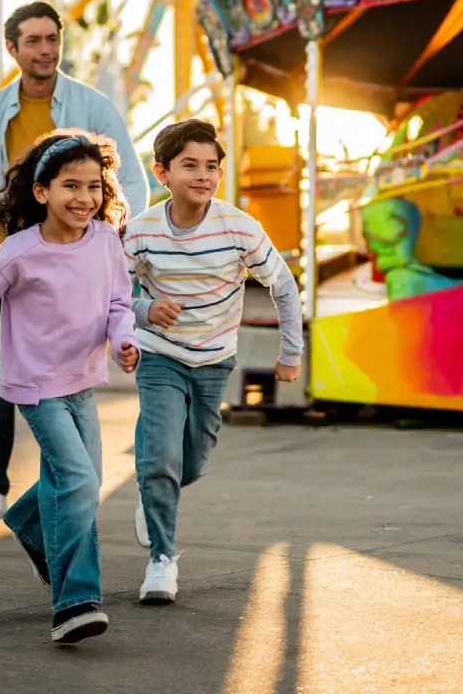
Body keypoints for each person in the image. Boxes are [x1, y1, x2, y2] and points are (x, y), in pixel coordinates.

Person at [0, 1, 149, 536]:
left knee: (71, 383)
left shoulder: (92, 104)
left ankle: (47, 503)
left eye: (51, 39)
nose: (44, 50)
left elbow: (131, 180)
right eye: (32, 40)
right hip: (8, 256)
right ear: (12, 48)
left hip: (73, 258)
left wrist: (115, 246)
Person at [0, 130, 140, 644]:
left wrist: (124, 341)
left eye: (95, 187)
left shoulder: (104, 242)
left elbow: (120, 303)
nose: (84, 198)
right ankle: (74, 601)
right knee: (77, 483)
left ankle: (31, 522)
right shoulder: (17, 252)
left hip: (82, 382)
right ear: (41, 192)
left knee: (85, 481)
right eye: (70, 186)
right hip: (33, 387)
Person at [123, 119, 304, 604]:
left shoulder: (239, 228)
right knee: (161, 456)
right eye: (190, 165)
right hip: (160, 356)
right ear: (162, 172)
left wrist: (290, 353)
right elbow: (112, 292)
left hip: (215, 360)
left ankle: (151, 488)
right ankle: (162, 559)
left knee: (194, 464)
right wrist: (143, 310)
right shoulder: (140, 231)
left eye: (212, 167)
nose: (203, 175)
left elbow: (283, 286)